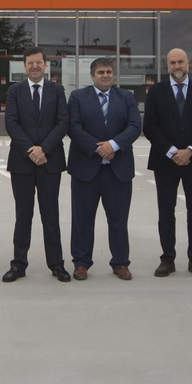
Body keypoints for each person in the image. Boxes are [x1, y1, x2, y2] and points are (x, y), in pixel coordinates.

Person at [142, 48, 192, 278]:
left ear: (189, 64)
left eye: (180, 62)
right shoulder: (156, 91)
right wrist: (173, 151)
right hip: (166, 162)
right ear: (167, 65)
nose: (177, 66)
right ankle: (167, 259)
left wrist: (190, 151)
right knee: (166, 212)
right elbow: (150, 126)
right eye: (172, 62)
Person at [67, 58, 140, 280]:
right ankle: (81, 263)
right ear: (92, 76)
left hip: (118, 170)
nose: (105, 75)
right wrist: (98, 148)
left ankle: (120, 263)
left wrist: (113, 146)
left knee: (118, 219)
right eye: (100, 72)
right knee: (82, 219)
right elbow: (73, 127)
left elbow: (135, 126)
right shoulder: (78, 97)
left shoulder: (126, 97)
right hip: (85, 169)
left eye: (109, 71)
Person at [2, 47, 70, 282]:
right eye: (30, 63)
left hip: (50, 162)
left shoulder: (57, 90)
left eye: (39, 62)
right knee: (23, 215)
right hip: (23, 162)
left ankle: (57, 264)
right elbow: (11, 123)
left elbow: (63, 122)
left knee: (51, 216)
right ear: (24, 66)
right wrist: (32, 150)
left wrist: (45, 148)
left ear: (45, 65)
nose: (34, 66)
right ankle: (18, 264)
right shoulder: (15, 91)